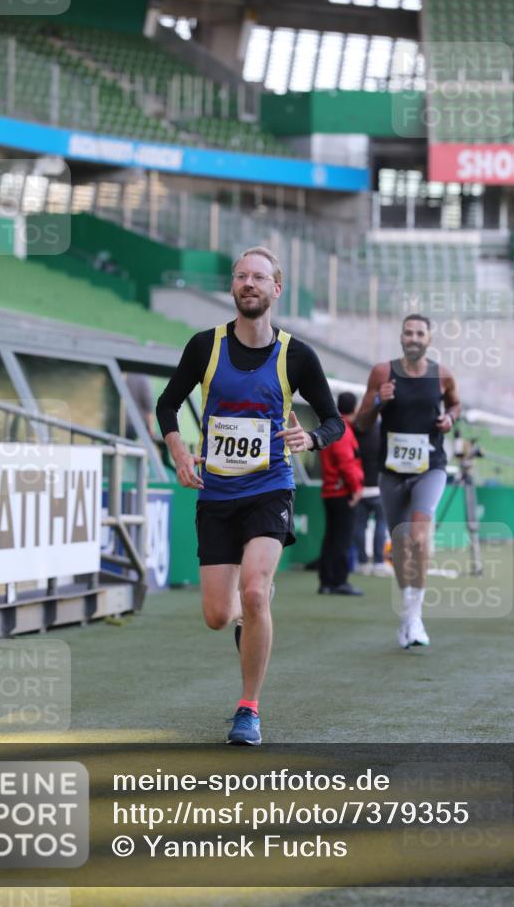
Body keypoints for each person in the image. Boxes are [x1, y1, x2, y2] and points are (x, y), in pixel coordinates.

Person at [156, 246, 343, 744]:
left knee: (255, 589)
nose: (249, 284)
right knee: (220, 616)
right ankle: (245, 612)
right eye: (241, 276)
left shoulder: (297, 355)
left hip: (269, 486)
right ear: (233, 288)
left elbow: (334, 420)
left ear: (276, 289)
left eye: (259, 277)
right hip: (216, 491)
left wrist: (312, 437)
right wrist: (178, 450)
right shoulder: (205, 346)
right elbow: (168, 404)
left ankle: (248, 709)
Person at [356, 314, 460, 649]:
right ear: (401, 338)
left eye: (420, 333)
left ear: (429, 339)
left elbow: (456, 404)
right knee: (400, 545)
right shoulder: (382, 373)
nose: (413, 338)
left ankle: (415, 615)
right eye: (408, 333)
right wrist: (377, 402)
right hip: (392, 471)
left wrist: (449, 419)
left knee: (417, 537)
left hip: (430, 467)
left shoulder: (441, 374)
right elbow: (360, 422)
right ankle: (407, 610)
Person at [317, 391, 365, 596]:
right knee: (341, 539)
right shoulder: (344, 430)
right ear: (355, 408)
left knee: (332, 538)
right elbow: (346, 463)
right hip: (341, 491)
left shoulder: (333, 427)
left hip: (330, 490)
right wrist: (355, 489)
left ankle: (327, 582)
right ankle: (338, 581)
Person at [352, 416, 389, 576]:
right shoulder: (383, 430)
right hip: (378, 486)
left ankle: (362, 563)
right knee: (381, 524)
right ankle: (379, 563)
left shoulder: (355, 430)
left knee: (360, 525)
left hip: (360, 486)